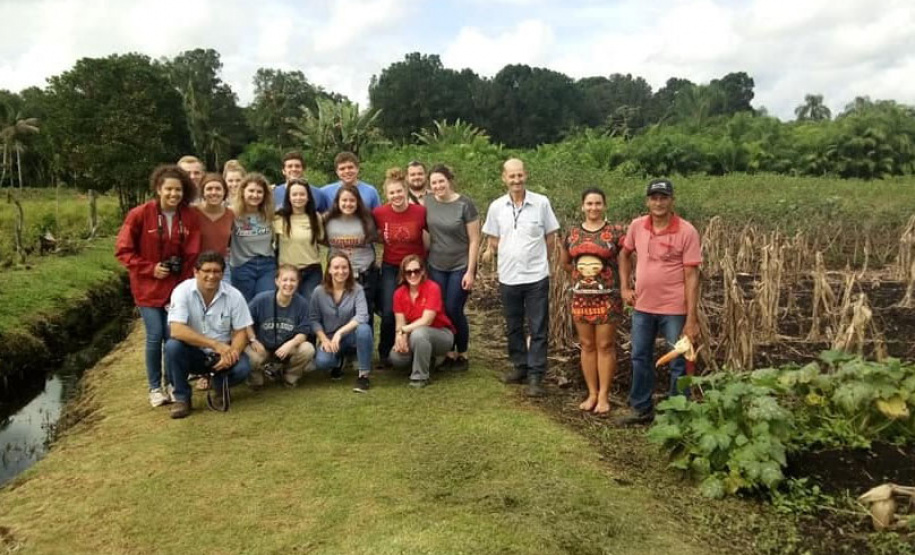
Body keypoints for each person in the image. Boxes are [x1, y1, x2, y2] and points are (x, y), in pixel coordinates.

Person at [616, 178, 701, 426]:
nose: (659, 203)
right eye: (654, 198)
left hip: (674, 308)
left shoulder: (686, 231)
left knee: (678, 360)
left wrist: (691, 318)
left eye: (664, 198)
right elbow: (624, 254)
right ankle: (641, 408)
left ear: (672, 200)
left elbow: (692, 276)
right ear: (647, 201)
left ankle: (678, 413)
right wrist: (624, 287)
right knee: (639, 357)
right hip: (642, 306)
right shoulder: (637, 226)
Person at [115, 165, 201, 407]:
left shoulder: (189, 216)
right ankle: (154, 387)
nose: (173, 194)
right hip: (147, 287)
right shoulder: (140, 214)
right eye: (169, 189)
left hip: (177, 287)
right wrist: (150, 268)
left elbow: (192, 252)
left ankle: (173, 382)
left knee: (173, 337)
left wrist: (182, 282)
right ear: (158, 189)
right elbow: (123, 250)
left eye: (178, 190)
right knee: (155, 336)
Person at [481, 158, 560, 397]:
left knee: (538, 328)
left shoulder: (541, 203)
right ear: (504, 178)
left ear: (526, 175)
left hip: (536, 276)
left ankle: (536, 375)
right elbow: (493, 239)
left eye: (519, 175)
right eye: (511, 176)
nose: (516, 180)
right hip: (508, 276)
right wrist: (507, 252)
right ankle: (519, 366)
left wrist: (539, 259)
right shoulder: (496, 207)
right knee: (513, 325)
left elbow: (550, 237)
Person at [560, 188, 627, 415]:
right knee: (587, 345)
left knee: (605, 345)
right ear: (582, 206)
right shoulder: (572, 234)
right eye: (589, 203)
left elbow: (627, 259)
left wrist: (618, 282)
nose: (593, 208)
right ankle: (592, 393)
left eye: (598, 203)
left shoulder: (616, 232)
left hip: (608, 298)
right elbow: (565, 263)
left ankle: (604, 395)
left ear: (604, 206)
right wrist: (583, 278)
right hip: (581, 298)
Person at [165, 251, 253, 419]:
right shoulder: (182, 291)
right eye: (206, 271)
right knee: (172, 347)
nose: (211, 276)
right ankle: (182, 399)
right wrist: (215, 344)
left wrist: (232, 353)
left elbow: (241, 332)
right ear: (196, 272)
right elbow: (176, 330)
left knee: (243, 368)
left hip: (223, 354)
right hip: (195, 352)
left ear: (222, 273)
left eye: (216, 271)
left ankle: (219, 388)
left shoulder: (234, 295)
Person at [424, 164, 480, 370]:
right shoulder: (428, 202)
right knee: (441, 309)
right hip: (436, 265)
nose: (438, 186)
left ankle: (462, 352)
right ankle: (448, 352)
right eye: (434, 183)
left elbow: (474, 239)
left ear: (449, 181)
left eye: (441, 181)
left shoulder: (465, 204)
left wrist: (470, 271)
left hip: (460, 265)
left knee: (454, 307)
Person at [373, 168, 427, 367]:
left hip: (416, 267)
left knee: (419, 309)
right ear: (386, 195)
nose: (396, 195)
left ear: (406, 191)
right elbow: (371, 233)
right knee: (389, 311)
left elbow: (436, 233)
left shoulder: (420, 212)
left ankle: (419, 349)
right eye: (392, 193)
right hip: (391, 266)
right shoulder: (380, 213)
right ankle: (385, 352)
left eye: (399, 191)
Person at [309, 254, 374, 393]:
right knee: (323, 362)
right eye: (336, 267)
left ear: (349, 270)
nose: (341, 271)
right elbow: (314, 319)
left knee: (364, 329)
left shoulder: (357, 289)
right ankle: (339, 361)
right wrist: (324, 339)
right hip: (329, 338)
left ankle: (363, 376)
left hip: (351, 335)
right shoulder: (318, 292)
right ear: (329, 270)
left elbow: (362, 316)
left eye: (344, 267)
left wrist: (340, 333)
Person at [389, 255, 455, 388]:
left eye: (416, 271)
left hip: (441, 333)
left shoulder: (432, 288)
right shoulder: (399, 294)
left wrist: (404, 330)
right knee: (397, 358)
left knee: (419, 334)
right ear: (403, 274)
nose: (413, 275)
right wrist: (400, 338)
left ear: (423, 271)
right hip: (414, 333)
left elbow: (427, 320)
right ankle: (429, 360)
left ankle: (420, 377)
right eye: (408, 272)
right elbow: (400, 323)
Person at [245, 264, 316, 388]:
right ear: (277, 281)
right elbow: (245, 321)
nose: (288, 284)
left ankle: (290, 376)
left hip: (286, 349)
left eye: (293, 280)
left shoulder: (302, 304)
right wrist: (253, 340)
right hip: (263, 347)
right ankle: (256, 377)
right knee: (250, 355)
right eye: (285, 280)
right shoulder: (261, 299)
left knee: (308, 349)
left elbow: (303, 332)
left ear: (298, 282)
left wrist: (290, 344)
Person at [324, 186, 380, 327]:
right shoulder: (328, 220)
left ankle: (365, 339)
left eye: (352, 200)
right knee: (339, 313)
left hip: (364, 273)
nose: (348, 204)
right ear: (337, 201)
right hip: (338, 274)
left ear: (358, 202)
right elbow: (321, 240)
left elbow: (377, 238)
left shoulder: (367, 219)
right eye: (344, 200)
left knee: (365, 314)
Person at [274, 178, 324, 306]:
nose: (298, 198)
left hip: (311, 270)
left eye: (302, 194)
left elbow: (320, 239)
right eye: (294, 194)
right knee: (288, 305)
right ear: (288, 197)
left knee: (310, 306)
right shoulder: (279, 218)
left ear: (308, 197)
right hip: (287, 271)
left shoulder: (315, 217)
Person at [230, 173, 276, 302]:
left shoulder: (271, 214)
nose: (255, 195)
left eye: (259, 192)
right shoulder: (232, 213)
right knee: (245, 304)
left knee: (266, 300)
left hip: (267, 265)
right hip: (242, 265)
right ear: (243, 192)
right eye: (251, 191)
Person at [195, 173, 233, 281]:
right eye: (209, 189)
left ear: (224, 192)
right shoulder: (193, 213)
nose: (214, 192)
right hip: (197, 265)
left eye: (218, 189)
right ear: (203, 192)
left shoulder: (231, 214)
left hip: (221, 265)